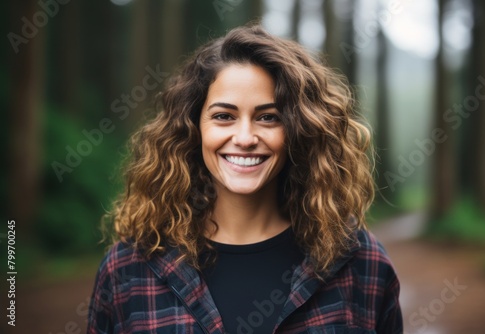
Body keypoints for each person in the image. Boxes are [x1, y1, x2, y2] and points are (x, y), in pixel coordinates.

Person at [87, 25, 402, 334]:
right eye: (224, 116)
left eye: (268, 117)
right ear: (194, 128)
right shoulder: (128, 269)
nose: (245, 137)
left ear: (298, 130)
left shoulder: (361, 262)